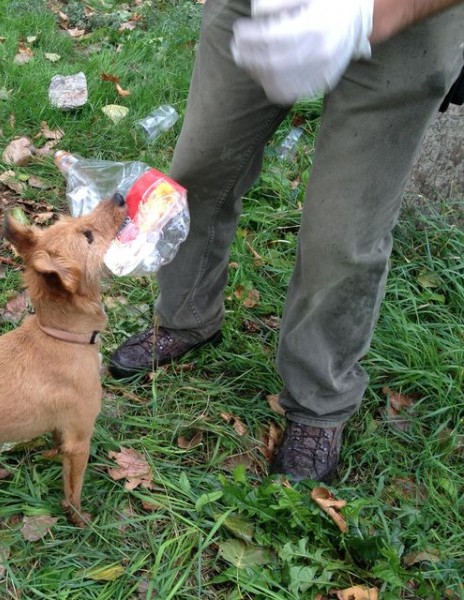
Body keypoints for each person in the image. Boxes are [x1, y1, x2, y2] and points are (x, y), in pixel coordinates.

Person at [108, 0, 464, 483]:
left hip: (407, 24)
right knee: (200, 171)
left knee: (344, 232)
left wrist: (363, 16)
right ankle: (187, 318)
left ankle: (319, 400)